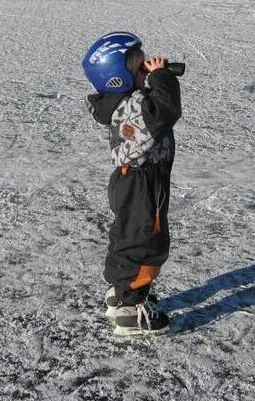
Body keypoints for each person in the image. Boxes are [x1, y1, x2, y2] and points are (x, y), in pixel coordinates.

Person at [82, 32, 181, 336]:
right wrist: (162, 77)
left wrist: (153, 77)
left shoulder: (129, 101)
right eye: (139, 63)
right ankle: (129, 307)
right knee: (144, 241)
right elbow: (165, 111)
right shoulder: (128, 108)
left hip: (141, 181)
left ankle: (122, 291)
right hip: (140, 184)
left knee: (130, 236)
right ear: (117, 75)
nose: (146, 65)